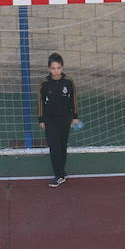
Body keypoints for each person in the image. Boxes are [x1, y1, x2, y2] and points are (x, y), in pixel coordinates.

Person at [38, 52, 81, 187]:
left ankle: (61, 172)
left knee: (62, 146)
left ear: (62, 68)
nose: (56, 71)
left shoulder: (68, 82)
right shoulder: (44, 83)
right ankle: (58, 174)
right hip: (50, 120)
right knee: (54, 147)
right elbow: (40, 102)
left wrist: (74, 117)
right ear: (49, 69)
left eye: (58, 68)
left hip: (65, 119)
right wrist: (41, 119)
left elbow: (73, 100)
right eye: (53, 68)